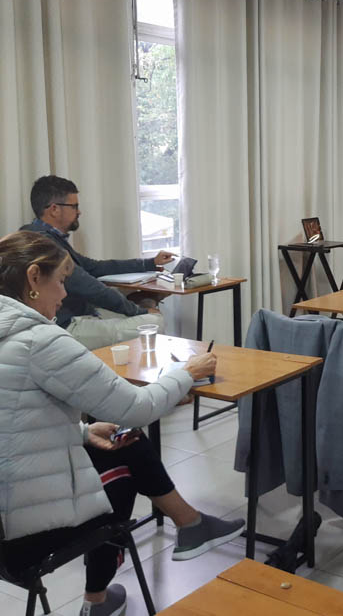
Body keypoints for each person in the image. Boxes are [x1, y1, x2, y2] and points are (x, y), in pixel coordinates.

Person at [0, 231, 246, 616]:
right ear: (33, 277)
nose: (64, 295)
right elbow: (136, 406)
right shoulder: (39, 341)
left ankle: (189, 526)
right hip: (25, 533)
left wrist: (83, 431)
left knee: (120, 438)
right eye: (61, 281)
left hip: (7, 514)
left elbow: (13, 421)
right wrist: (186, 373)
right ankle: (98, 599)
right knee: (124, 462)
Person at [21, 175, 173, 349]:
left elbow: (94, 267)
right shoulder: (42, 245)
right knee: (154, 322)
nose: (79, 212)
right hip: (66, 325)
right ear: (54, 209)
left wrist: (149, 263)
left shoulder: (46, 237)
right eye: (74, 206)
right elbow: (90, 287)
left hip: (80, 313)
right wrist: (139, 311)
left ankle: (144, 303)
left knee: (132, 306)